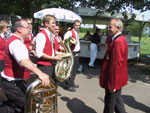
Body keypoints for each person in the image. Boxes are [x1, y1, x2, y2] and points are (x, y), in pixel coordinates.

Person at [0, 19, 50, 113]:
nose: (29, 30)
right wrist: (41, 73)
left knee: (15, 108)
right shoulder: (16, 43)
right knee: (27, 106)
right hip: (13, 83)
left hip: (14, 82)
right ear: (19, 29)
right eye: (27, 27)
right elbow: (23, 61)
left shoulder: (16, 40)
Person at [100, 18, 128, 113]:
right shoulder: (117, 39)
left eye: (110, 26)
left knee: (109, 104)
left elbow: (116, 65)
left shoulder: (118, 41)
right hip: (116, 79)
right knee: (117, 100)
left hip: (113, 79)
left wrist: (113, 84)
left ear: (118, 28)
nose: (108, 28)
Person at [35, 15, 62, 84]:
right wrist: (53, 58)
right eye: (53, 23)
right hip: (44, 66)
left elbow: (51, 50)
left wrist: (64, 55)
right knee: (44, 87)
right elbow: (39, 54)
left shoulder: (50, 35)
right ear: (46, 24)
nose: (54, 25)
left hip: (49, 65)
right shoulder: (41, 35)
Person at [63, 20, 81, 92]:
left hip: (76, 52)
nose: (77, 26)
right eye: (76, 25)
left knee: (74, 69)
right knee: (69, 69)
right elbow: (65, 43)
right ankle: (67, 85)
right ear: (73, 25)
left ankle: (72, 82)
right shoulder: (69, 32)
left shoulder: (76, 32)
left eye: (79, 25)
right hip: (71, 53)